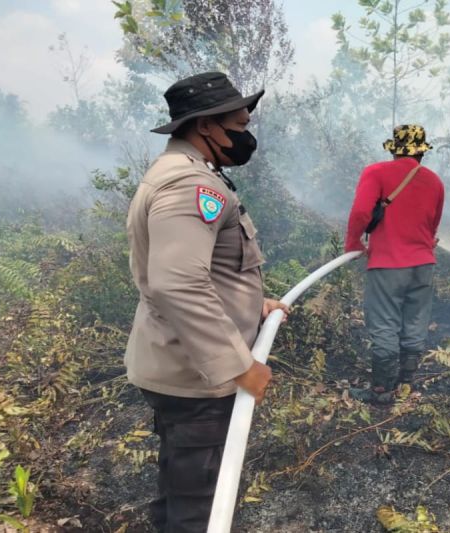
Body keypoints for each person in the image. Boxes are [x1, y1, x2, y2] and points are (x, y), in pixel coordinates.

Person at [124, 71, 288, 532]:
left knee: (184, 480)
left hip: (180, 363)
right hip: (196, 377)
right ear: (205, 127)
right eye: (237, 126)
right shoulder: (190, 187)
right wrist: (239, 365)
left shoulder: (189, 173)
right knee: (201, 502)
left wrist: (251, 304)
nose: (246, 135)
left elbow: (206, 270)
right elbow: (178, 284)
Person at [344, 124, 444, 404]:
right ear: (422, 152)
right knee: (415, 322)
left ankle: (380, 391)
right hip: (423, 265)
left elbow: (362, 211)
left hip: (388, 264)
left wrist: (353, 243)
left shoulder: (376, 172)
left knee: (385, 323)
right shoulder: (435, 182)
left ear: (394, 150)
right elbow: (432, 225)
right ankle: (405, 384)